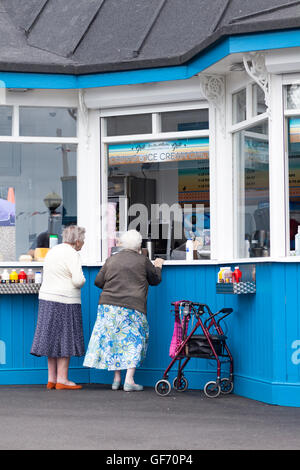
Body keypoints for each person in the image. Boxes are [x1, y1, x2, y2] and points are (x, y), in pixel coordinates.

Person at [83, 229, 164, 391]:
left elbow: (98, 282)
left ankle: (116, 379)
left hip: (108, 306)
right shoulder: (143, 260)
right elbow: (155, 280)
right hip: (133, 306)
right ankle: (129, 380)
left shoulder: (111, 260)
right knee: (134, 341)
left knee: (114, 341)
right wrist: (158, 266)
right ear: (139, 245)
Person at [30, 225, 86, 390]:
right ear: (77, 241)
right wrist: (83, 280)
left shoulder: (52, 251)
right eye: (82, 240)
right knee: (65, 339)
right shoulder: (72, 253)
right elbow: (78, 280)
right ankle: (63, 380)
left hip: (47, 298)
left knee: (52, 339)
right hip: (66, 300)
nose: (83, 243)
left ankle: (51, 379)